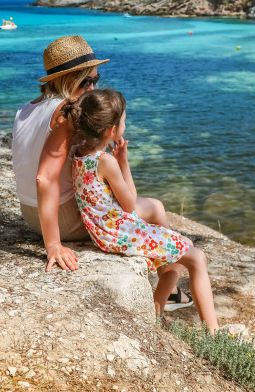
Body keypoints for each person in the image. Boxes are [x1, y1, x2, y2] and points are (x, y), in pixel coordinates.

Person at [11, 36, 193, 309]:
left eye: (96, 79)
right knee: (154, 208)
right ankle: (170, 288)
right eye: (87, 82)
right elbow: (44, 177)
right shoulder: (66, 111)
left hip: (30, 213)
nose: (93, 87)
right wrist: (53, 245)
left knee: (140, 205)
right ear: (68, 79)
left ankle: (170, 287)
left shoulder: (26, 109)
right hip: (59, 219)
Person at [62, 89, 219, 329]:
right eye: (123, 120)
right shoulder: (105, 161)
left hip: (104, 229)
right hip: (118, 232)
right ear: (111, 131)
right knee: (196, 256)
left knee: (176, 256)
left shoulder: (79, 152)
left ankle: (157, 312)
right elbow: (129, 203)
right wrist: (123, 161)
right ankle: (214, 335)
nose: (125, 123)